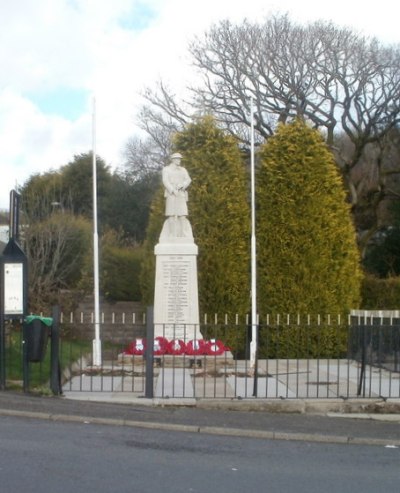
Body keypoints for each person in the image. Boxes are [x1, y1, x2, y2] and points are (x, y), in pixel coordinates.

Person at [160, 153, 193, 238]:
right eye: (177, 159)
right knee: (171, 214)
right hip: (171, 194)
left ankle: (183, 233)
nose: (179, 160)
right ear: (173, 160)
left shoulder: (183, 170)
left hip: (181, 193)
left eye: (180, 159)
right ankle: (171, 233)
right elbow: (165, 181)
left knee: (182, 214)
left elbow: (188, 180)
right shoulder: (166, 169)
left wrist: (182, 185)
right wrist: (172, 190)